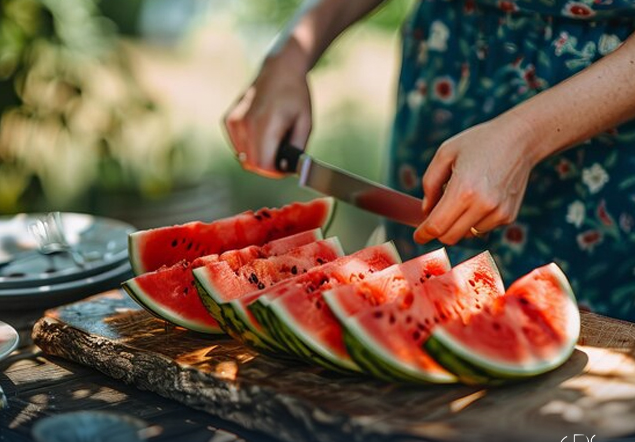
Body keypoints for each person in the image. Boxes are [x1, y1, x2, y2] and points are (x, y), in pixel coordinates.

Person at [224, 0, 635, 322]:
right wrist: (288, 57)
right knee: (411, 309)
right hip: (443, 82)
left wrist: (526, 136)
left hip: (601, 146)